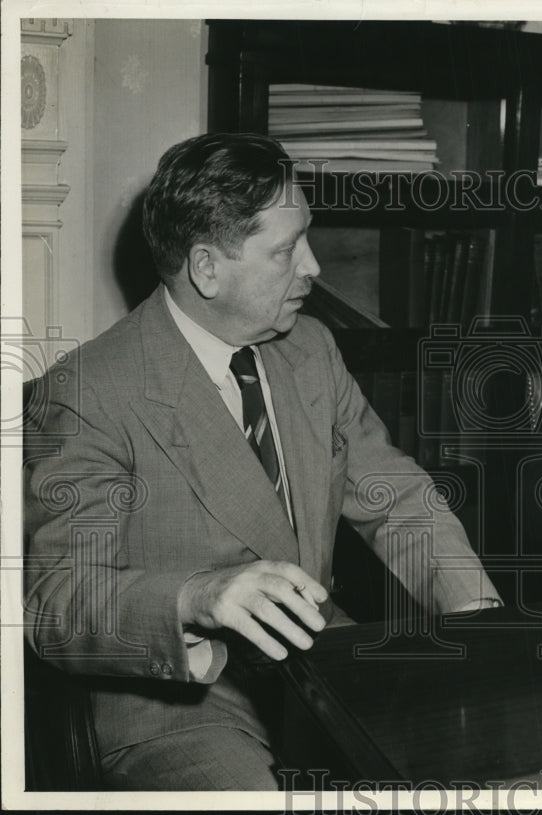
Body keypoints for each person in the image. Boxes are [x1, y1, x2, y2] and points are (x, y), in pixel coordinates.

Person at [23, 133, 501, 790]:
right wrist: (197, 594)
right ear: (206, 268)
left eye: (306, 237)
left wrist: (482, 620)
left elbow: (399, 501)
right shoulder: (88, 392)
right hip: (174, 695)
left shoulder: (310, 348)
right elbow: (60, 605)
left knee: (481, 762)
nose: (313, 266)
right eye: (284, 250)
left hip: (318, 657)